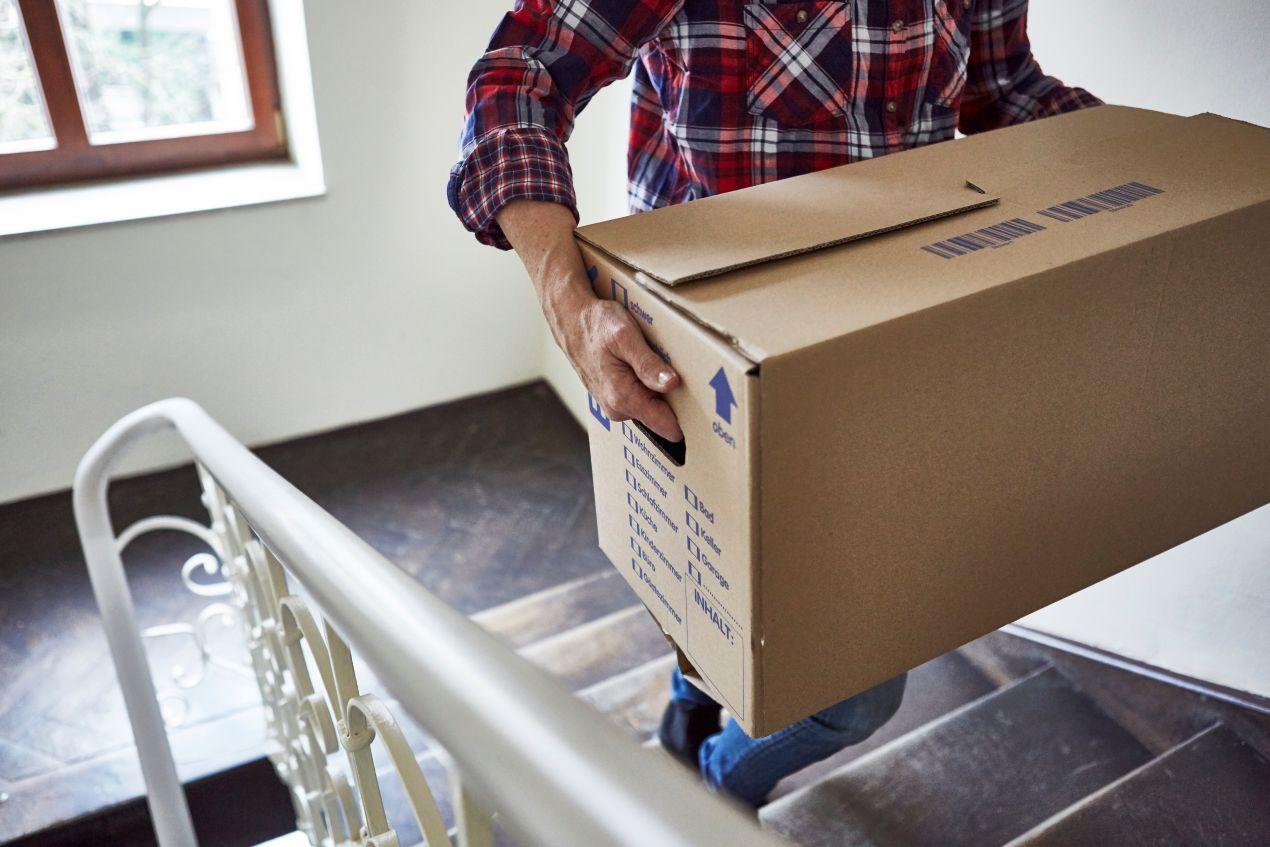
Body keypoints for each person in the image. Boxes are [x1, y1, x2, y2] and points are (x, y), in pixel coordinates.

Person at [449, 0, 1099, 807]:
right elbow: (520, 76)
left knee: (854, 697)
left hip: (891, 346)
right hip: (701, 363)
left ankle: (716, 785)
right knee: (699, 606)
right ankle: (689, 707)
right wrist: (566, 298)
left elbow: (1005, 92)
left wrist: (1164, 165)